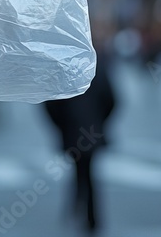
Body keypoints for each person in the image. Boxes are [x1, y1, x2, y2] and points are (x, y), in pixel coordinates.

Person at [44, 57, 116, 233]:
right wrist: (100, 123)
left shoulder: (62, 71)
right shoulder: (98, 68)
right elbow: (112, 100)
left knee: (81, 171)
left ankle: (78, 209)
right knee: (88, 173)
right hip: (91, 131)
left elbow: (50, 104)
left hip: (72, 131)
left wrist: (61, 126)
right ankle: (90, 215)